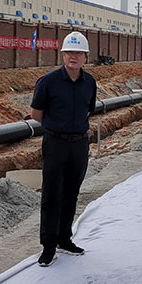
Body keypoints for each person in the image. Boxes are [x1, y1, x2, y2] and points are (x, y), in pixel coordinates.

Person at [31, 31, 98, 267]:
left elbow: (88, 110)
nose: (73, 56)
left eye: (78, 53)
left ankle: (64, 239)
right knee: (51, 194)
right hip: (55, 143)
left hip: (79, 144)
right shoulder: (48, 82)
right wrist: (58, 126)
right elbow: (36, 114)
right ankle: (48, 246)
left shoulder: (89, 82)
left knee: (71, 192)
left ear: (85, 57)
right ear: (62, 55)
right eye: (69, 52)